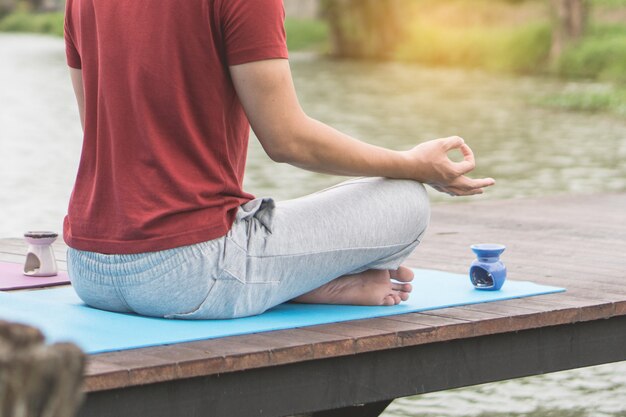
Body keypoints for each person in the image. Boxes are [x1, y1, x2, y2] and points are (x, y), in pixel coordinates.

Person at [63, 0, 495, 319]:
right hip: (194, 274)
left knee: (266, 215)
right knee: (405, 199)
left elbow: (97, 133)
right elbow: (287, 141)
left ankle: (306, 281)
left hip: (89, 267)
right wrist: (414, 164)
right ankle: (297, 278)